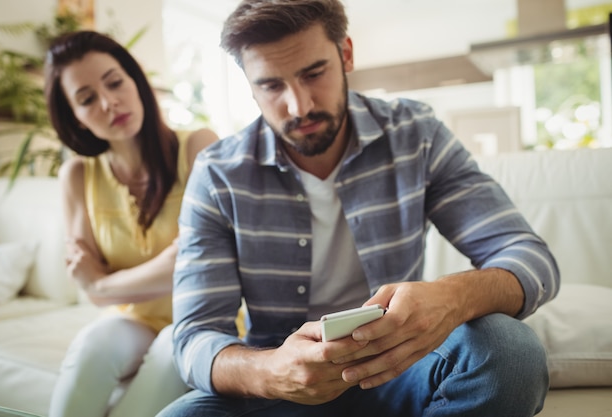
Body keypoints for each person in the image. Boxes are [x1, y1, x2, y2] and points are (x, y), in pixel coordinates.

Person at [159, 1, 560, 416]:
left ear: (346, 53)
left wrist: (452, 297)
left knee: (509, 352)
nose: (299, 106)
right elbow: (195, 337)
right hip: (283, 383)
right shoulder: (218, 173)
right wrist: (271, 369)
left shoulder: (415, 136)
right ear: (250, 85)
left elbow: (530, 257)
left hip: (402, 363)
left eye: (314, 74)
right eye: (271, 86)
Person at [43, 30, 218, 417]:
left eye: (115, 82)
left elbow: (194, 263)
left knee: (171, 349)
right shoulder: (76, 176)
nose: (109, 102)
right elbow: (94, 296)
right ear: (76, 118)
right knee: (93, 345)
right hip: (131, 320)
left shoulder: (197, 147)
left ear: (135, 80)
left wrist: (104, 281)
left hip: (203, 316)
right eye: (87, 99)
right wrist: (100, 288)